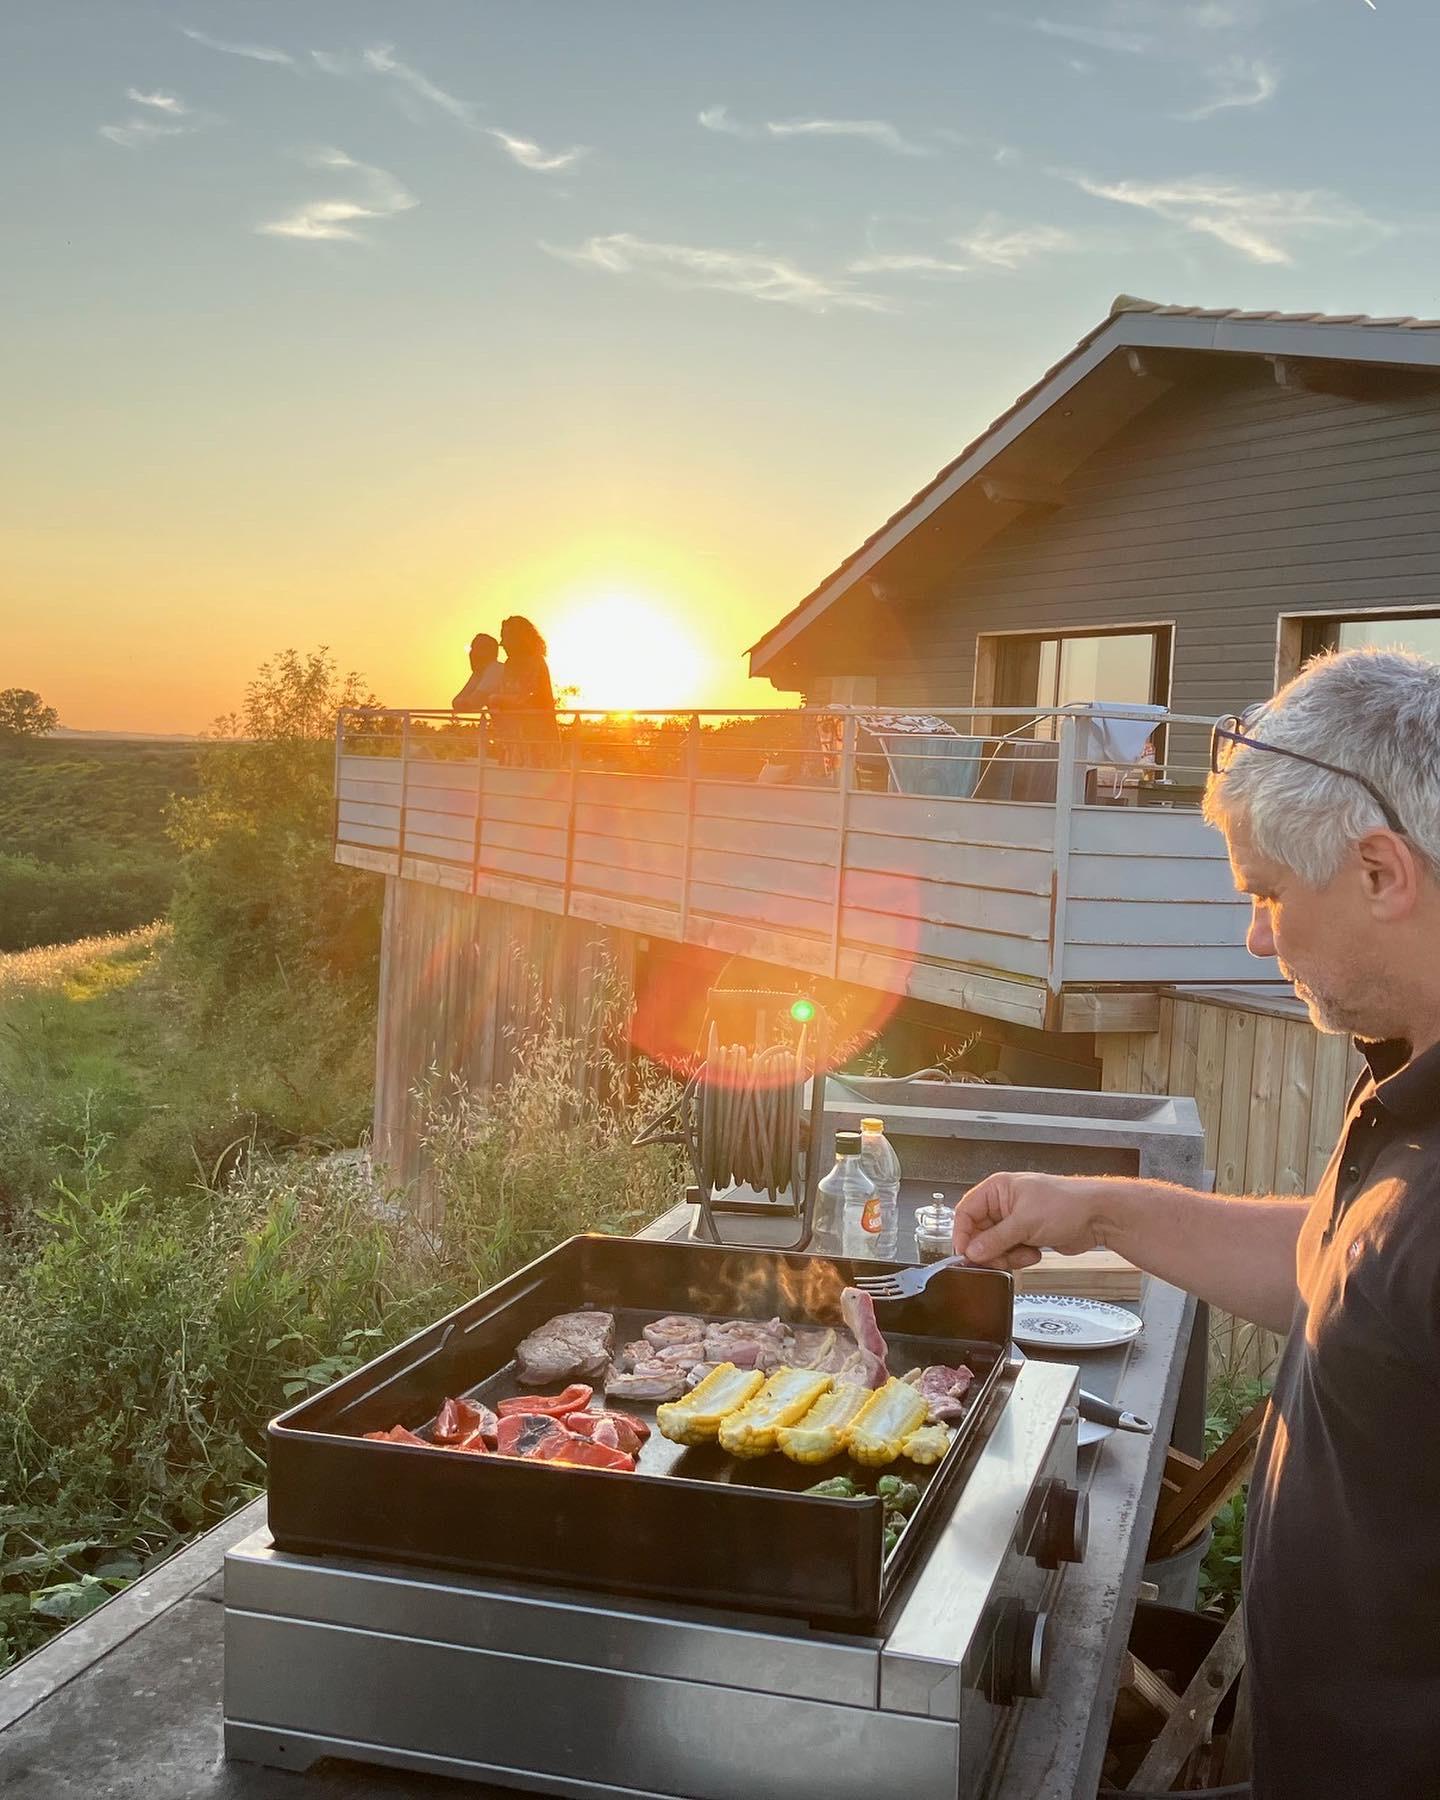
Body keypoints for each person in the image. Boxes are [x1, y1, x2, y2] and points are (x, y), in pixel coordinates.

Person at [951, 647, 1440, 1800]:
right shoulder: (1408, 1075)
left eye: (1267, 894)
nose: (1256, 939)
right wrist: (1099, 1208)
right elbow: (1334, 1268)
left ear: (1381, 872)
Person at [490, 614, 561, 765]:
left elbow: (526, 698)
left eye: (506, 638)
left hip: (538, 743)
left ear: (519, 638)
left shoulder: (536, 662)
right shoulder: (509, 664)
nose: (502, 644)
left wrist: (495, 699)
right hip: (513, 741)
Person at [451, 633, 503, 714]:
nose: (471, 653)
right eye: (471, 648)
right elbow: (455, 701)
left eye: (475, 649)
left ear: (487, 652)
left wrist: (464, 702)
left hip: (517, 725)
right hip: (501, 725)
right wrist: (464, 702)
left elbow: (475, 702)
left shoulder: (495, 669)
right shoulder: (478, 674)